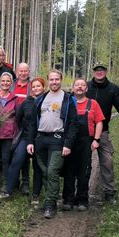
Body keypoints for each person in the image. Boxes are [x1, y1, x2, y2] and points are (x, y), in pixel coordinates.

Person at [86, 62, 119, 204]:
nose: (99, 72)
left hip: (102, 131)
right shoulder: (86, 87)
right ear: (93, 72)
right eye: (97, 70)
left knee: (107, 161)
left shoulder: (113, 89)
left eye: (102, 69)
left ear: (106, 72)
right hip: (84, 132)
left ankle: (109, 191)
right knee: (82, 161)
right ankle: (81, 191)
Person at [33, 70, 77, 219]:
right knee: (45, 172)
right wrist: (32, 141)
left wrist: (68, 144)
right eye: (51, 79)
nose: (54, 82)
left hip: (57, 139)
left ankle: (51, 205)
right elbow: (34, 120)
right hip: (41, 139)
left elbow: (73, 122)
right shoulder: (42, 98)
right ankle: (48, 199)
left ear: (61, 80)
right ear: (48, 81)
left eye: (56, 79)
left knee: (52, 171)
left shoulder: (68, 98)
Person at [63, 78, 105, 211]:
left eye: (82, 85)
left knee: (84, 171)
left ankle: (82, 199)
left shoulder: (93, 104)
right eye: (77, 85)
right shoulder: (68, 102)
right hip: (69, 141)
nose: (80, 87)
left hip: (86, 140)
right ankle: (68, 199)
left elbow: (99, 122)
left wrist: (96, 140)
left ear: (86, 89)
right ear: (73, 88)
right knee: (69, 170)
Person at [12, 62, 32, 195]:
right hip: (12, 123)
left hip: (26, 125)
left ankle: (25, 182)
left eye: (25, 71)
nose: (23, 73)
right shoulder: (12, 85)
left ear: (28, 72)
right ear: (17, 72)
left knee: (25, 154)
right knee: (12, 151)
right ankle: (14, 180)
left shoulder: (32, 86)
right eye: (21, 71)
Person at [26, 77, 47, 205]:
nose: (36, 88)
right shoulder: (32, 102)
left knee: (50, 167)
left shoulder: (48, 99)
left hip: (51, 137)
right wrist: (30, 141)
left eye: (38, 86)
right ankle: (36, 194)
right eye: (33, 87)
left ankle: (50, 193)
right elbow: (31, 124)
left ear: (43, 87)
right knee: (37, 167)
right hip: (37, 138)